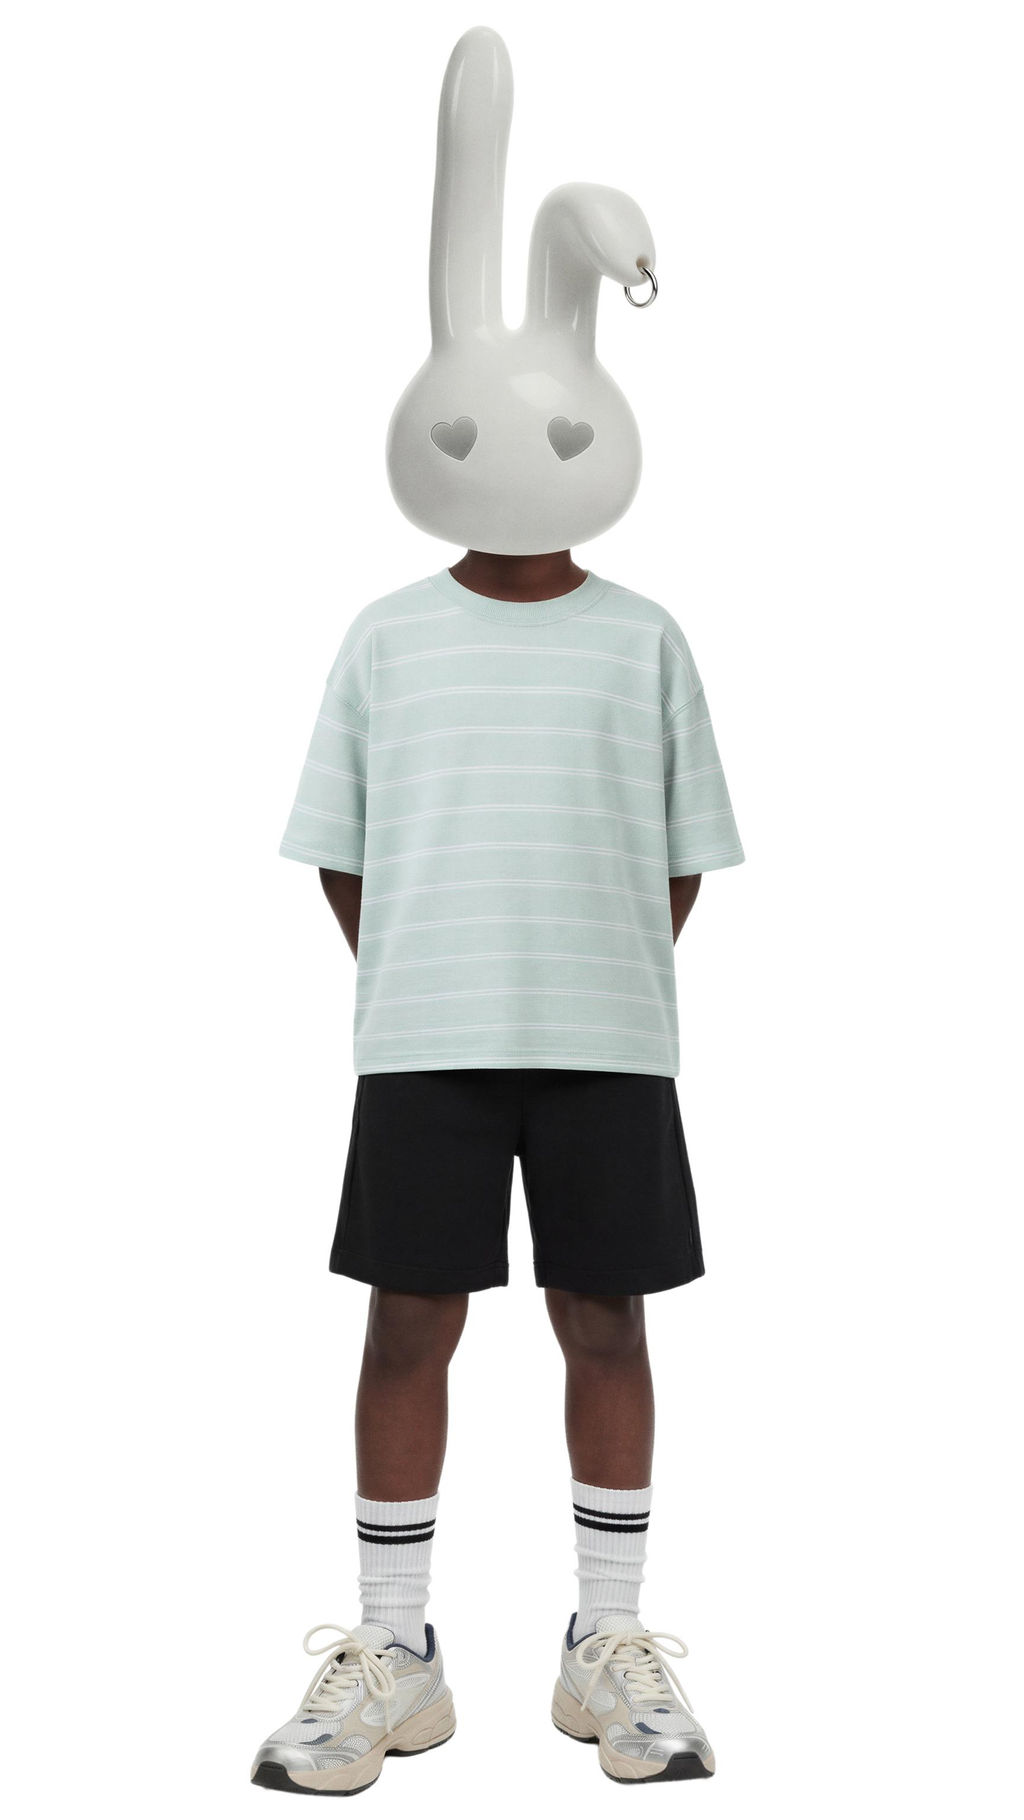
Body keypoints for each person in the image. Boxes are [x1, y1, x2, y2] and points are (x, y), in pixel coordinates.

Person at [250, 26, 744, 1796]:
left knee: (609, 1320)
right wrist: (434, 974)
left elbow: (678, 851)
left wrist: (585, 967)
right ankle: (394, 1650)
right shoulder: (385, 638)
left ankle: (610, 1641)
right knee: (408, 1322)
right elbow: (344, 848)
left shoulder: (647, 639)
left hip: (607, 1039)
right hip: (427, 1044)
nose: (513, 445)